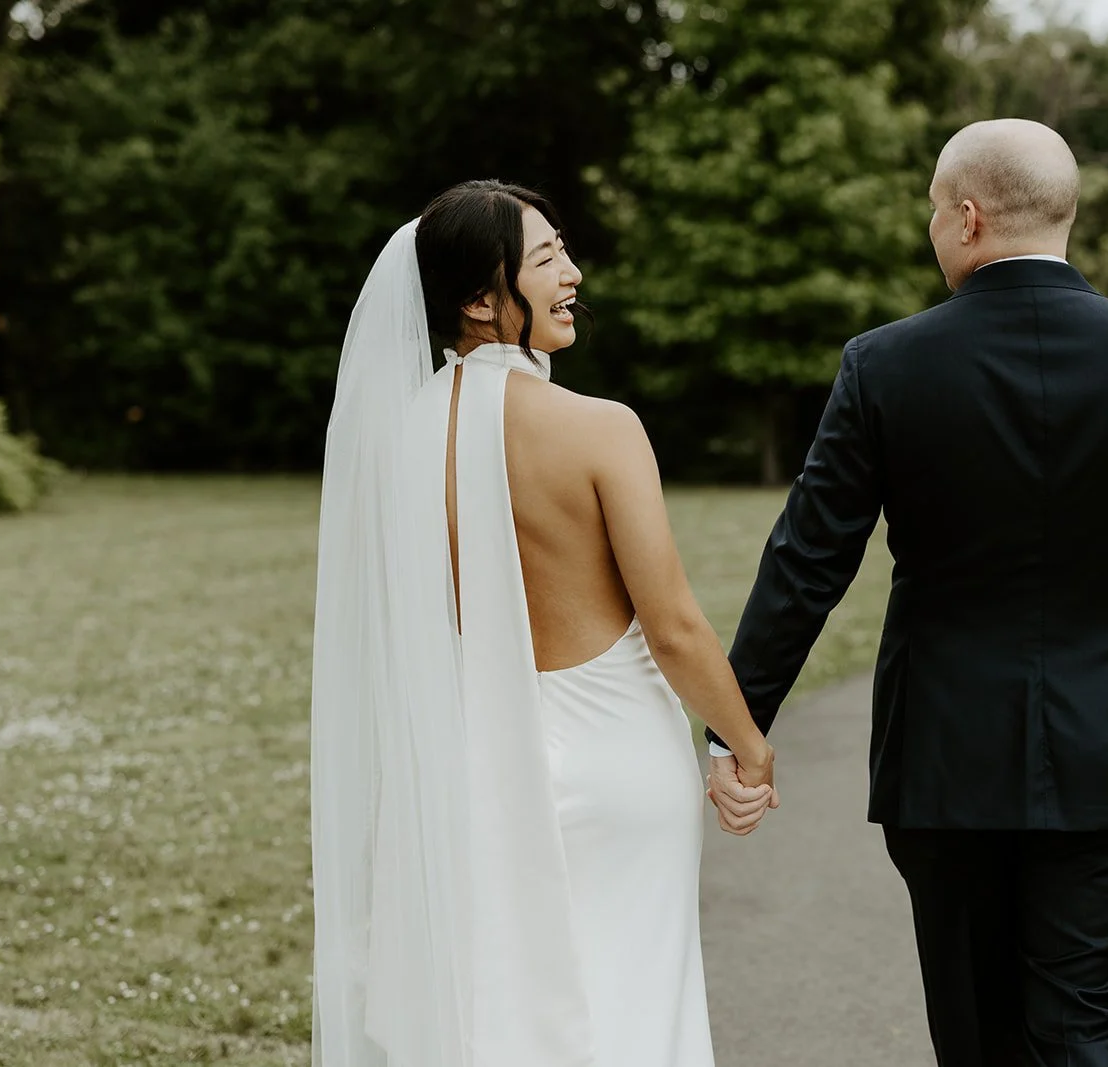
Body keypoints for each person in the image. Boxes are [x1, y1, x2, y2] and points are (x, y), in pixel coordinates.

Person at [707, 119, 1108, 1067]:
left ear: (967, 217)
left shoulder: (884, 364)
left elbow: (809, 559)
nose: (930, 227)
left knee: (976, 1036)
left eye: (931, 207)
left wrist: (738, 725)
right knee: (1090, 1031)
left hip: (946, 760)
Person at [309, 180, 776, 1067]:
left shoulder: (398, 438)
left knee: (507, 1024)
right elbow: (672, 624)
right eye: (547, 259)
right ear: (480, 302)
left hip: (468, 777)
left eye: (564, 250)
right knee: (636, 1006)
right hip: (616, 769)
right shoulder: (602, 429)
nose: (573, 273)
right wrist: (745, 746)